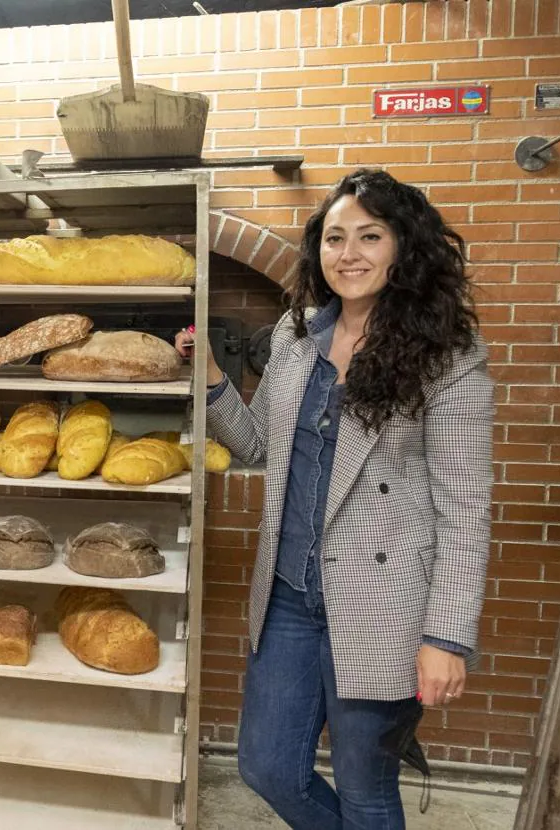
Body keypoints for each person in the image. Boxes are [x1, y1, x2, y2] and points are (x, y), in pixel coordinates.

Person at [175, 169, 493, 829]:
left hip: (386, 603)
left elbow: (464, 510)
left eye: (369, 236)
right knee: (267, 769)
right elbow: (260, 447)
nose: (347, 253)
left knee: (365, 788)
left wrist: (446, 638)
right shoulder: (296, 339)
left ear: (404, 247)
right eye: (334, 237)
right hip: (290, 596)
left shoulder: (448, 357)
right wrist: (209, 376)